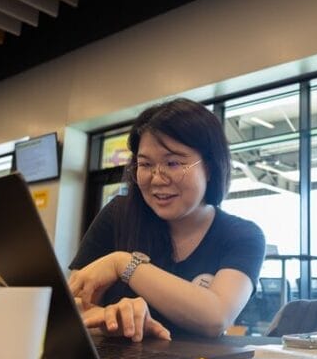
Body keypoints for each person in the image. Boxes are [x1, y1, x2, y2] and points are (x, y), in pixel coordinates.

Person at [69, 98, 266, 339]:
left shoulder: (242, 235)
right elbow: (73, 306)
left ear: (210, 167)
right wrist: (108, 319)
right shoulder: (118, 215)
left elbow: (216, 316)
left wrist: (122, 264)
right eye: (145, 164)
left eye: (173, 163)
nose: (157, 178)